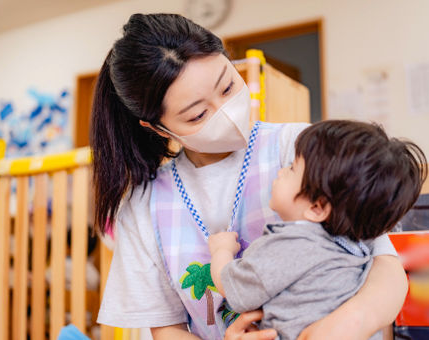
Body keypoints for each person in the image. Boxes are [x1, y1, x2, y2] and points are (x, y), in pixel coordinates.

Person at [92, 13, 408, 340]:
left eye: (228, 86)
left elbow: (385, 266)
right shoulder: (145, 204)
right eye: (198, 114)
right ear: (156, 127)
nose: (227, 112)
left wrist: (343, 326)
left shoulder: (302, 149)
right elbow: (167, 329)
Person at [209, 120, 427, 340]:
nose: (282, 171)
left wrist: (221, 251)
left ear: (317, 208)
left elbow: (234, 290)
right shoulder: (356, 246)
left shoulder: (289, 246)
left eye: (292, 168)